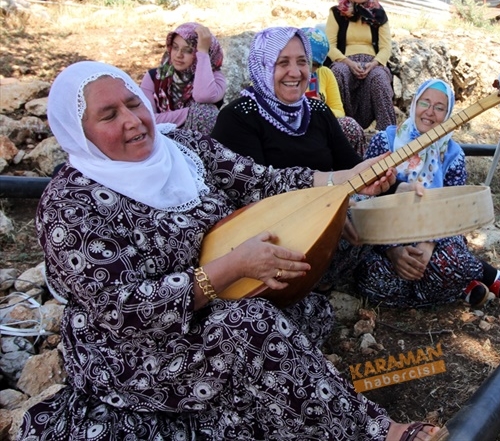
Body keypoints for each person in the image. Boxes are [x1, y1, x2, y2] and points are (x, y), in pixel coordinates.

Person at [17, 61, 439, 441]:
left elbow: (262, 182)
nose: (132, 121)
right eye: (109, 115)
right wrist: (233, 267)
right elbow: (121, 310)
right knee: (251, 325)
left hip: (222, 295)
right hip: (138, 347)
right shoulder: (70, 205)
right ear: (79, 132)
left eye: (133, 103)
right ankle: (375, 433)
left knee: (306, 293)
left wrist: (344, 179)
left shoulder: (181, 148)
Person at [354, 79, 500, 308]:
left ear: (448, 114)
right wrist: (393, 250)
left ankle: (462, 276)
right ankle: (457, 285)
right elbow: (364, 199)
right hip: (386, 233)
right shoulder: (385, 141)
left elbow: (454, 210)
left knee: (450, 259)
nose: (430, 112)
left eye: (439, 108)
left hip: (437, 233)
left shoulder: (453, 154)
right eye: (425, 103)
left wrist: (428, 244)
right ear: (414, 104)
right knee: (373, 280)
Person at [211, 26, 362, 172]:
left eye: (302, 61)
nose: (296, 73)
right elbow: (255, 184)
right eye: (282, 63)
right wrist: (329, 180)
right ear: (262, 67)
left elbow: (353, 168)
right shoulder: (237, 118)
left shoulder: (318, 110)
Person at [326, 0, 396, 130]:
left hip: (373, 64)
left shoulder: (379, 14)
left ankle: (387, 135)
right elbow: (329, 45)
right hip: (345, 62)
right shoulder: (337, 13)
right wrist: (349, 63)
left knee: (379, 78)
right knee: (337, 73)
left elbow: (386, 47)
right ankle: (338, 129)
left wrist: (374, 64)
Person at [139, 22, 226, 134]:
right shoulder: (155, 77)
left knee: (206, 112)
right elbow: (146, 118)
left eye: (188, 50)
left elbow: (203, 96)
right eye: (175, 47)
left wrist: (203, 53)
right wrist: (190, 113)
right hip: (162, 139)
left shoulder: (214, 78)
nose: (178, 55)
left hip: (200, 143)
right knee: (202, 111)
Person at [301, 26, 367, 156]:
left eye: (315, 65)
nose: (309, 68)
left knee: (350, 125)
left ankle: (355, 166)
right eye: (305, 62)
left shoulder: (324, 74)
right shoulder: (286, 75)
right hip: (292, 126)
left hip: (320, 125)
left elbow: (339, 111)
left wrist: (322, 108)